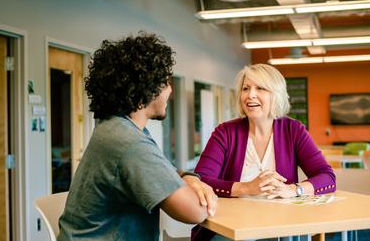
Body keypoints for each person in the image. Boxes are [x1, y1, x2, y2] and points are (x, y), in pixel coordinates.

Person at [57, 32, 218, 241]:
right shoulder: (128, 143)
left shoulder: (117, 128)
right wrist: (200, 190)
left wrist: (188, 177)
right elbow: (195, 212)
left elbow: (165, 171)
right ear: (147, 87)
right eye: (165, 81)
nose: (170, 89)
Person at [191, 63, 336, 241]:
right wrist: (246, 188)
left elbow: (327, 177)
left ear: (275, 95)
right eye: (246, 88)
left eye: (260, 88)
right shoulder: (225, 132)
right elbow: (199, 180)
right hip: (231, 229)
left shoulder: (293, 130)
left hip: (280, 227)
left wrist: (293, 190)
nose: (250, 94)